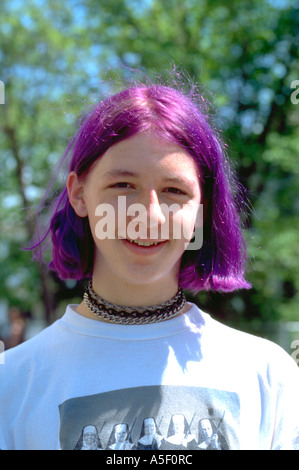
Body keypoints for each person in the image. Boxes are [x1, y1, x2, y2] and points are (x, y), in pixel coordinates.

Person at [0, 74, 299, 451]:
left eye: (174, 190)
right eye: (123, 186)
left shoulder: (268, 376)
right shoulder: (11, 385)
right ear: (79, 194)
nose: (149, 215)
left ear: (201, 210)